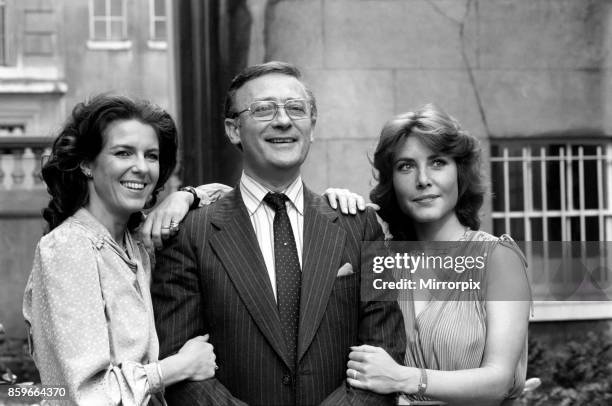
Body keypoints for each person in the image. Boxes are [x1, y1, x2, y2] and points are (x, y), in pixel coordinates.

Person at [150, 61, 406, 406]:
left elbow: (384, 350)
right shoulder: (190, 233)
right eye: (264, 109)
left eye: (296, 109)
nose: (283, 120)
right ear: (233, 130)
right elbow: (180, 368)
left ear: (312, 126)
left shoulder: (360, 226)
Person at [23, 95, 217, 406]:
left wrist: (186, 197)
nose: (141, 168)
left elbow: (236, 198)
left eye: (151, 156)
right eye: (124, 153)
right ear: (87, 163)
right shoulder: (69, 248)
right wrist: (178, 368)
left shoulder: (138, 241)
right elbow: (87, 395)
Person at [341, 104, 531, 405]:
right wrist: (328, 213)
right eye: (406, 166)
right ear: (391, 181)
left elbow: (498, 379)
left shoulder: (497, 258)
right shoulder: (381, 262)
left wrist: (401, 378)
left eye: (438, 162)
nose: (423, 179)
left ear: (460, 172)